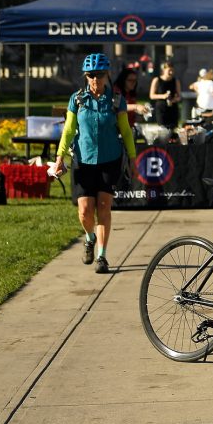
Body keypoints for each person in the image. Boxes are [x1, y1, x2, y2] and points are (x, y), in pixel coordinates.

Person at [52, 54, 137, 275]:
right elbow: (69, 130)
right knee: (84, 212)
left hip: (110, 160)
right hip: (83, 160)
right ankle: (89, 238)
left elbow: (126, 131)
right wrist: (60, 156)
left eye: (99, 75)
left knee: (103, 207)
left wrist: (133, 158)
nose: (95, 80)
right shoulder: (77, 99)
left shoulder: (116, 100)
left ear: (107, 75)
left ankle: (102, 256)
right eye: (90, 76)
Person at [149, 60, 181, 130]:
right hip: (161, 109)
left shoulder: (176, 81)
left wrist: (174, 99)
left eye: (172, 70)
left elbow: (179, 96)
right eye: (169, 70)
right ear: (163, 70)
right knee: (163, 129)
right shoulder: (157, 80)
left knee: (174, 129)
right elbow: (152, 95)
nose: (171, 72)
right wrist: (163, 96)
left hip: (172, 108)